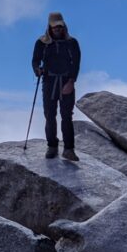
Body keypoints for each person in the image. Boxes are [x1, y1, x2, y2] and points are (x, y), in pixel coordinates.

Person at [32, 12, 81, 161]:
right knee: (50, 115)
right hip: (49, 81)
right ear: (49, 27)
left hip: (66, 81)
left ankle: (68, 149)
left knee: (67, 116)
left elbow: (76, 63)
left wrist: (71, 81)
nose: (57, 29)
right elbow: (35, 61)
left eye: (60, 26)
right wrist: (37, 70)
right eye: (54, 27)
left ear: (63, 25)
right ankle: (52, 146)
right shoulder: (42, 43)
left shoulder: (72, 42)